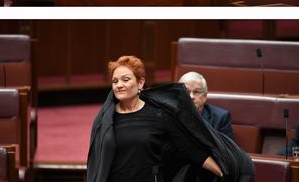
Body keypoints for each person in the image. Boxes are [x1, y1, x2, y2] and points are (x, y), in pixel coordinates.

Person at [87, 56, 254, 182]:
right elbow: (98, 161)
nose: (119, 85)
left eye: (125, 79)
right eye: (115, 81)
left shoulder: (159, 114)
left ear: (140, 83)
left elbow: (189, 148)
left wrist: (222, 172)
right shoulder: (105, 119)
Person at [179, 71, 235, 140]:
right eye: (186, 91)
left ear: (205, 96)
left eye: (197, 92)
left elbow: (226, 149)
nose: (191, 96)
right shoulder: (168, 115)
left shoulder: (220, 118)